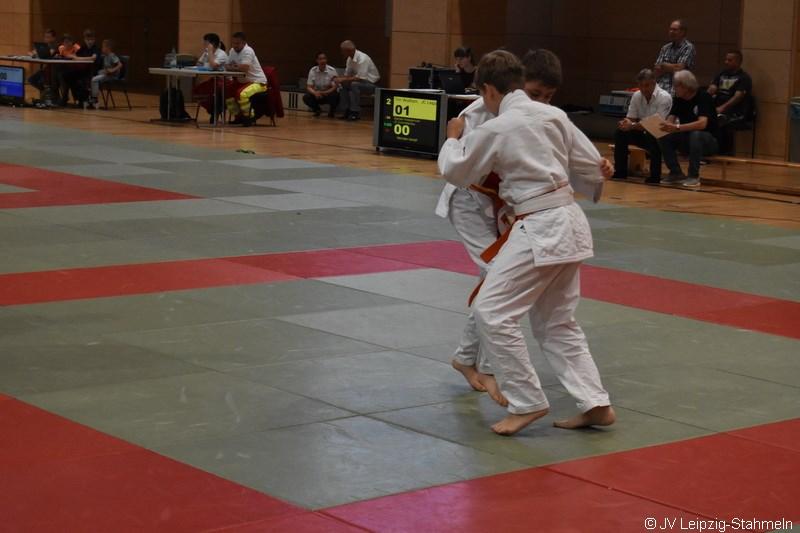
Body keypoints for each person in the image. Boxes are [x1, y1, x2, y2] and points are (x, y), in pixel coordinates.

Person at [439, 50, 615, 436]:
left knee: (492, 311)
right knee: (556, 322)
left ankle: (527, 401)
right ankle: (595, 403)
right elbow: (589, 164)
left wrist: (452, 139)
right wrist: (603, 168)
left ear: (489, 88)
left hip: (539, 226)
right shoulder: (554, 116)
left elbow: (456, 170)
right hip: (569, 221)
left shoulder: (498, 127)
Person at [657, 70, 718, 187]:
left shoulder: (703, 97)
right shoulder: (679, 99)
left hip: (708, 141)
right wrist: (664, 126)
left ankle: (693, 175)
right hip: (687, 140)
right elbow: (670, 120)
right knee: (663, 136)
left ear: (685, 86)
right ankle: (675, 172)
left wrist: (677, 127)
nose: (674, 89)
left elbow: (702, 124)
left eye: (676, 86)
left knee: (696, 134)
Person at [612, 68, 672, 183]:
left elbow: (656, 124)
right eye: (641, 86)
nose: (643, 89)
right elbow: (631, 118)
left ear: (654, 83)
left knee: (652, 135)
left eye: (647, 85)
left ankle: (655, 175)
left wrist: (632, 125)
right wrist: (625, 123)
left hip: (660, 134)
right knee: (620, 133)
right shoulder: (636, 95)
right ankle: (620, 171)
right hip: (641, 131)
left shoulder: (664, 97)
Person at [708, 50, 752, 155]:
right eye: (726, 59)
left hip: (735, 110)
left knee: (721, 121)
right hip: (717, 107)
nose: (726, 62)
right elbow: (712, 88)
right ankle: (706, 150)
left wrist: (722, 108)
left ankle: (724, 153)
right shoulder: (721, 74)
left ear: (738, 62)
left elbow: (737, 97)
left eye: (730, 60)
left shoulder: (744, 78)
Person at [225, 32, 268, 126]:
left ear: (244, 43)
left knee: (242, 94)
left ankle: (248, 117)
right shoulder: (232, 51)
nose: (235, 45)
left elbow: (244, 68)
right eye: (233, 43)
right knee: (227, 93)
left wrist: (234, 66)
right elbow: (226, 66)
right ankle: (237, 116)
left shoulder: (248, 51)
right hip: (243, 82)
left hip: (257, 82)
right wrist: (237, 67)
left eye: (237, 43)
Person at [335, 40, 380, 121]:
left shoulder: (363, 58)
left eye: (343, 51)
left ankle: (354, 112)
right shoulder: (349, 59)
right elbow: (347, 75)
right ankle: (346, 110)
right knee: (343, 85)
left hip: (371, 84)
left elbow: (360, 77)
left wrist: (344, 79)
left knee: (354, 85)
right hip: (358, 83)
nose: (341, 52)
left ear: (348, 51)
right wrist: (340, 80)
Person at [192, 33, 229, 123]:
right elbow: (199, 63)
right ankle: (212, 109)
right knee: (197, 90)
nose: (204, 44)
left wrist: (210, 52)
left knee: (213, 91)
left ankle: (216, 111)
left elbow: (213, 65)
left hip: (225, 81)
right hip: (214, 79)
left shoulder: (221, 54)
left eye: (206, 43)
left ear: (212, 44)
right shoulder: (206, 52)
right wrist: (206, 56)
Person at [654, 19, 696, 95]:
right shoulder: (665, 48)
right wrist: (672, 67)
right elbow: (656, 70)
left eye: (674, 30)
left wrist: (663, 65)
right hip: (660, 88)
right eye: (670, 29)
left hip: (677, 90)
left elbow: (679, 69)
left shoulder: (688, 47)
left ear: (683, 32)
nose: (671, 32)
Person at [303, 51, 340, 117]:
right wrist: (315, 93)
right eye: (320, 59)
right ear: (317, 61)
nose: (323, 61)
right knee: (306, 97)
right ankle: (317, 110)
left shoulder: (332, 70)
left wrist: (324, 92)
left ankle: (332, 111)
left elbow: (335, 87)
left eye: (324, 58)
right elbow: (309, 86)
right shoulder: (313, 70)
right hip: (317, 94)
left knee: (335, 95)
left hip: (328, 93)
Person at [88, 39, 122, 109]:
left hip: (112, 76)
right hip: (107, 74)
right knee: (93, 75)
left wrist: (112, 70)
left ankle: (94, 99)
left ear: (108, 48)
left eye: (103, 47)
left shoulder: (112, 55)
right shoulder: (105, 56)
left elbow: (120, 65)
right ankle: (91, 96)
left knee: (94, 79)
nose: (102, 48)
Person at [27, 29, 60, 99]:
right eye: (45, 37)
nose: (46, 39)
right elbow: (30, 53)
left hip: (53, 70)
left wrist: (35, 55)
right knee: (31, 79)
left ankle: (48, 94)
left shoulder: (56, 46)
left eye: (48, 37)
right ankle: (45, 91)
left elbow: (49, 53)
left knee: (42, 81)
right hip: (46, 70)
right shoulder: (43, 46)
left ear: (53, 38)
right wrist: (34, 54)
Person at [55, 34, 82, 106]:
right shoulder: (61, 48)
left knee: (64, 77)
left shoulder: (77, 48)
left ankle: (65, 97)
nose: (67, 44)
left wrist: (73, 56)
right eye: (65, 42)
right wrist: (58, 56)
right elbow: (59, 56)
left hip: (76, 69)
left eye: (69, 42)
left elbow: (79, 58)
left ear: (72, 42)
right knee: (58, 75)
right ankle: (60, 97)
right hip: (65, 69)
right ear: (63, 43)